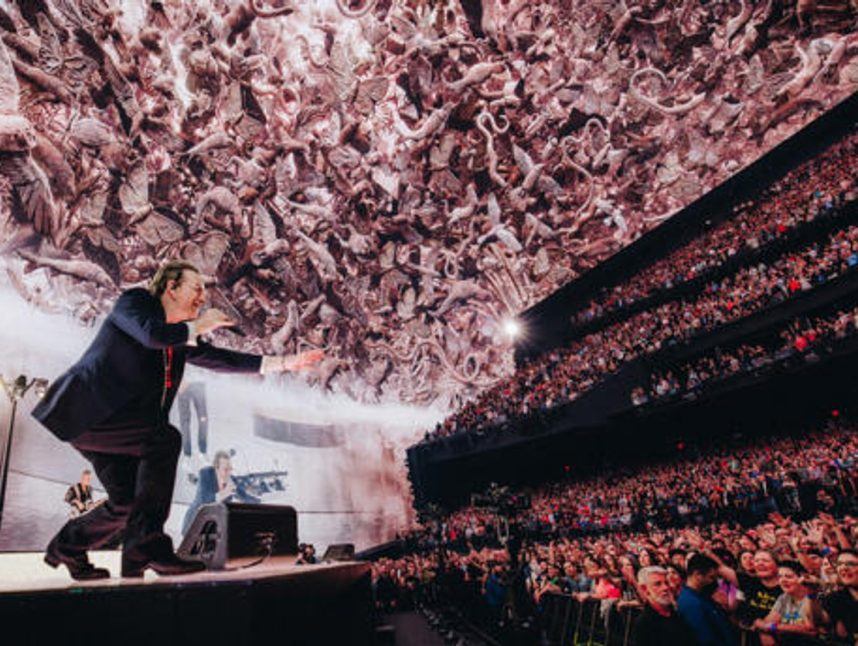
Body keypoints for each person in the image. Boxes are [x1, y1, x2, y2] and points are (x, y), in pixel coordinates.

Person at [33, 260, 322, 580]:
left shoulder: (177, 339)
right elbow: (151, 335)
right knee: (164, 439)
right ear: (170, 287)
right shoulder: (136, 303)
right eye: (196, 288)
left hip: (113, 427)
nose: (202, 297)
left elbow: (220, 359)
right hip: (88, 413)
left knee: (126, 503)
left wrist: (286, 363)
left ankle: (68, 547)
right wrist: (199, 325)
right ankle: (146, 547)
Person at [181, 450, 260, 535]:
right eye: (225, 469)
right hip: (194, 523)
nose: (228, 472)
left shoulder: (230, 479)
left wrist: (259, 501)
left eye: (230, 469)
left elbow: (244, 496)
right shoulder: (205, 474)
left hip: (213, 526)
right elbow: (204, 499)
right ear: (216, 468)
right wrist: (224, 493)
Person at [677, 553, 738, 645]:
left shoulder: (703, 594)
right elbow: (706, 639)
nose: (713, 581)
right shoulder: (690, 603)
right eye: (711, 577)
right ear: (697, 575)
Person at [753, 561, 816, 644]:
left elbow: (809, 630)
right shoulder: (784, 597)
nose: (783, 580)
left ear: (802, 578)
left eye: (789, 577)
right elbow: (767, 623)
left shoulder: (813, 597)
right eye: (779, 577)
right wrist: (765, 628)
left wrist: (775, 627)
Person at [631, 566, 696, 646]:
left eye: (666, 583)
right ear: (645, 589)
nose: (665, 588)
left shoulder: (677, 612)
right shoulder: (644, 624)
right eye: (657, 584)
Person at [821, 549, 858, 644]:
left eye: (851, 564)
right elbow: (819, 625)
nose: (844, 568)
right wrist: (810, 595)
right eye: (840, 564)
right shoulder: (834, 599)